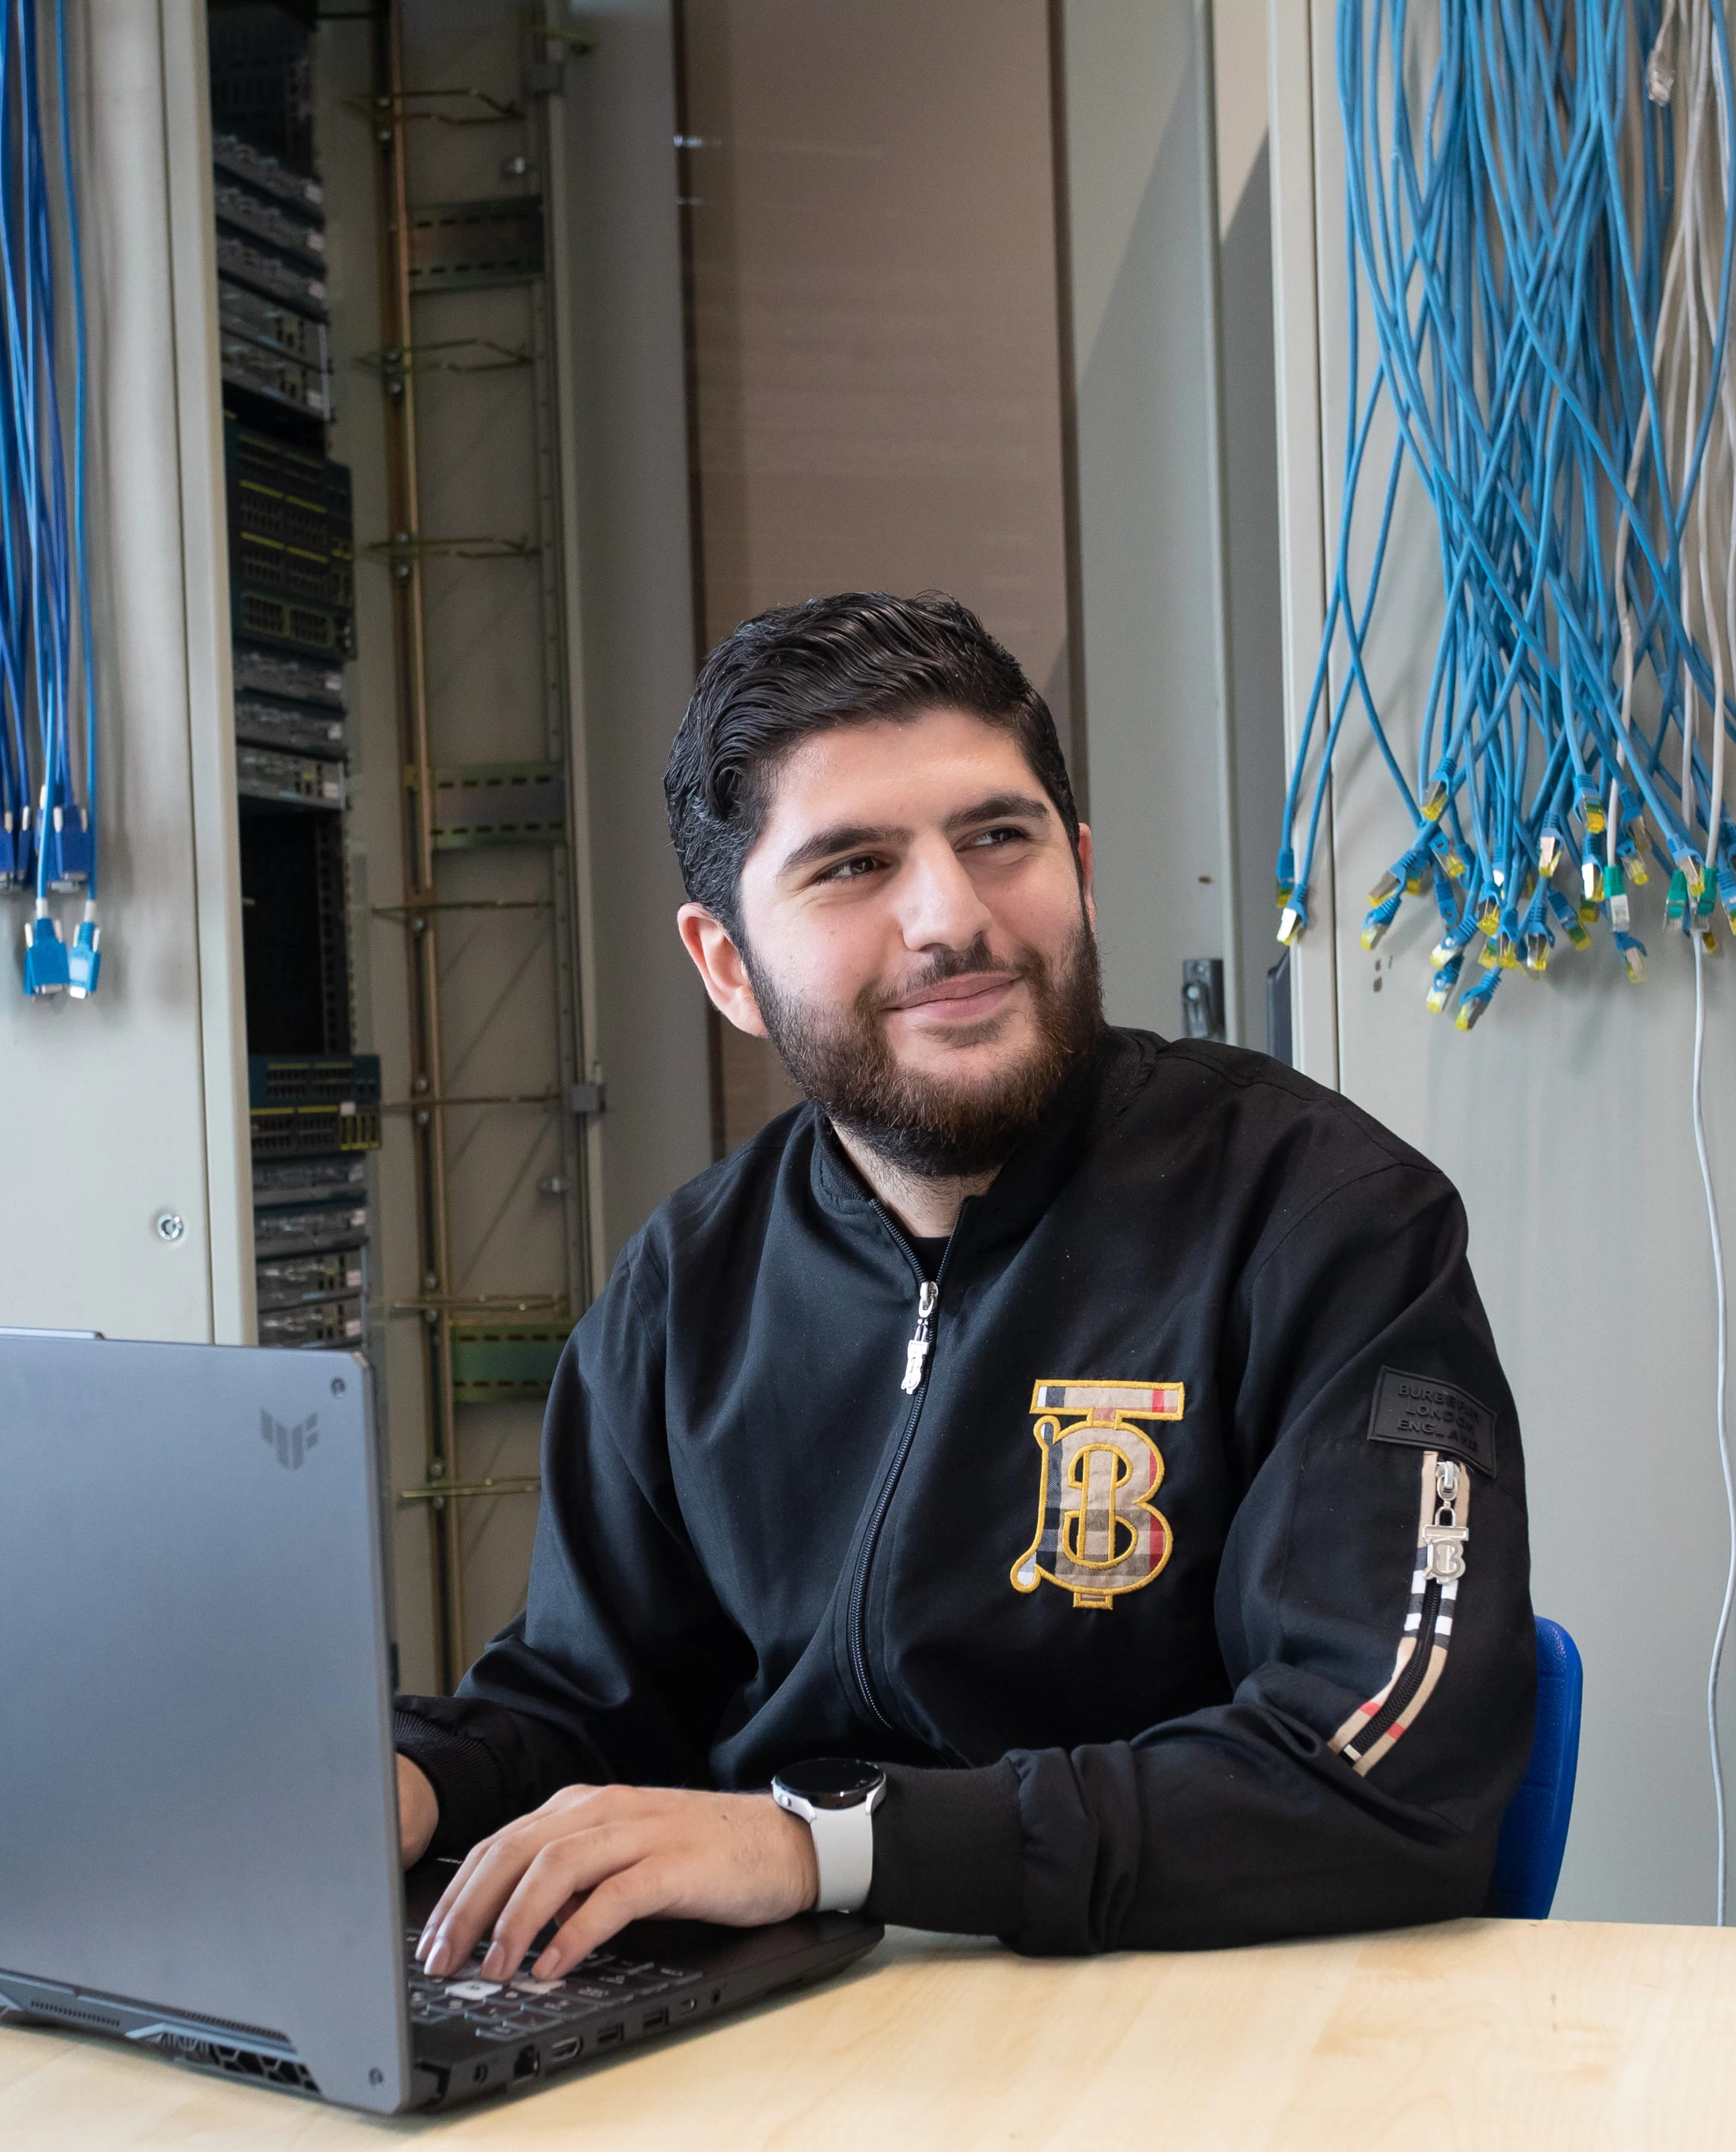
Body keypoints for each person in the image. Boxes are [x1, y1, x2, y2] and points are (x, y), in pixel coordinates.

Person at [395, 589, 1535, 1990]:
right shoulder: (687, 1285)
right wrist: (414, 1784)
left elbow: (1380, 1774)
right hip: (779, 2050)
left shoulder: (1325, 1225)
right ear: (724, 965)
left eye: (998, 838)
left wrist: (827, 1844)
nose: (951, 917)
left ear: (1082, 868)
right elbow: (587, 1707)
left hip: (1197, 2037)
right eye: (851, 866)